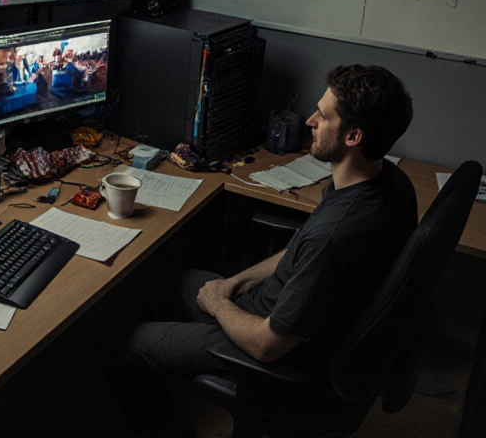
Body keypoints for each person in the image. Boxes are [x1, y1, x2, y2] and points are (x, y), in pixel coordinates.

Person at [111, 65, 416, 437]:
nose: (310, 121)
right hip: (271, 307)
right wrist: (234, 283)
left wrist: (219, 304)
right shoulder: (386, 181)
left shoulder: (335, 237)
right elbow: (299, 251)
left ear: (353, 135)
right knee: (164, 279)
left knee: (129, 344)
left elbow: (268, 347)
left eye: (324, 115)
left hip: (271, 345)